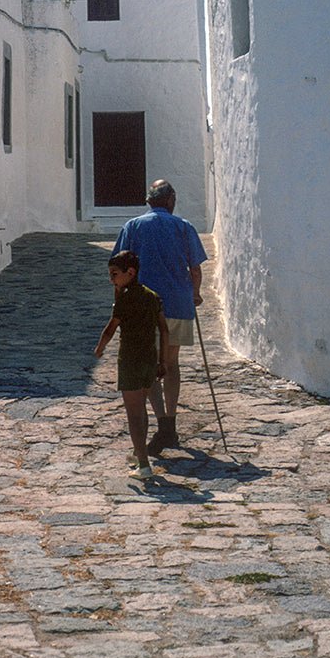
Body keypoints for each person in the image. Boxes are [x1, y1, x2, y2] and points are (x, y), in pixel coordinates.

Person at [112, 180, 207, 455]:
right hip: (177, 305)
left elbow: (118, 271)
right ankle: (171, 424)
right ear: (171, 200)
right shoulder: (184, 226)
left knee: (152, 366)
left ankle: (163, 424)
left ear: (149, 201)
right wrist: (196, 294)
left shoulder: (133, 227)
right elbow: (196, 269)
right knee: (172, 364)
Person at [94, 250, 169, 480]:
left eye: (115, 274)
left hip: (130, 361)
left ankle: (144, 465)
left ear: (130, 272)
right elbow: (164, 330)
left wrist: (100, 348)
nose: (111, 280)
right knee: (142, 409)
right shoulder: (152, 296)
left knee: (134, 414)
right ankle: (140, 453)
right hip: (149, 360)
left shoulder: (125, 300)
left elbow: (110, 328)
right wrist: (163, 361)